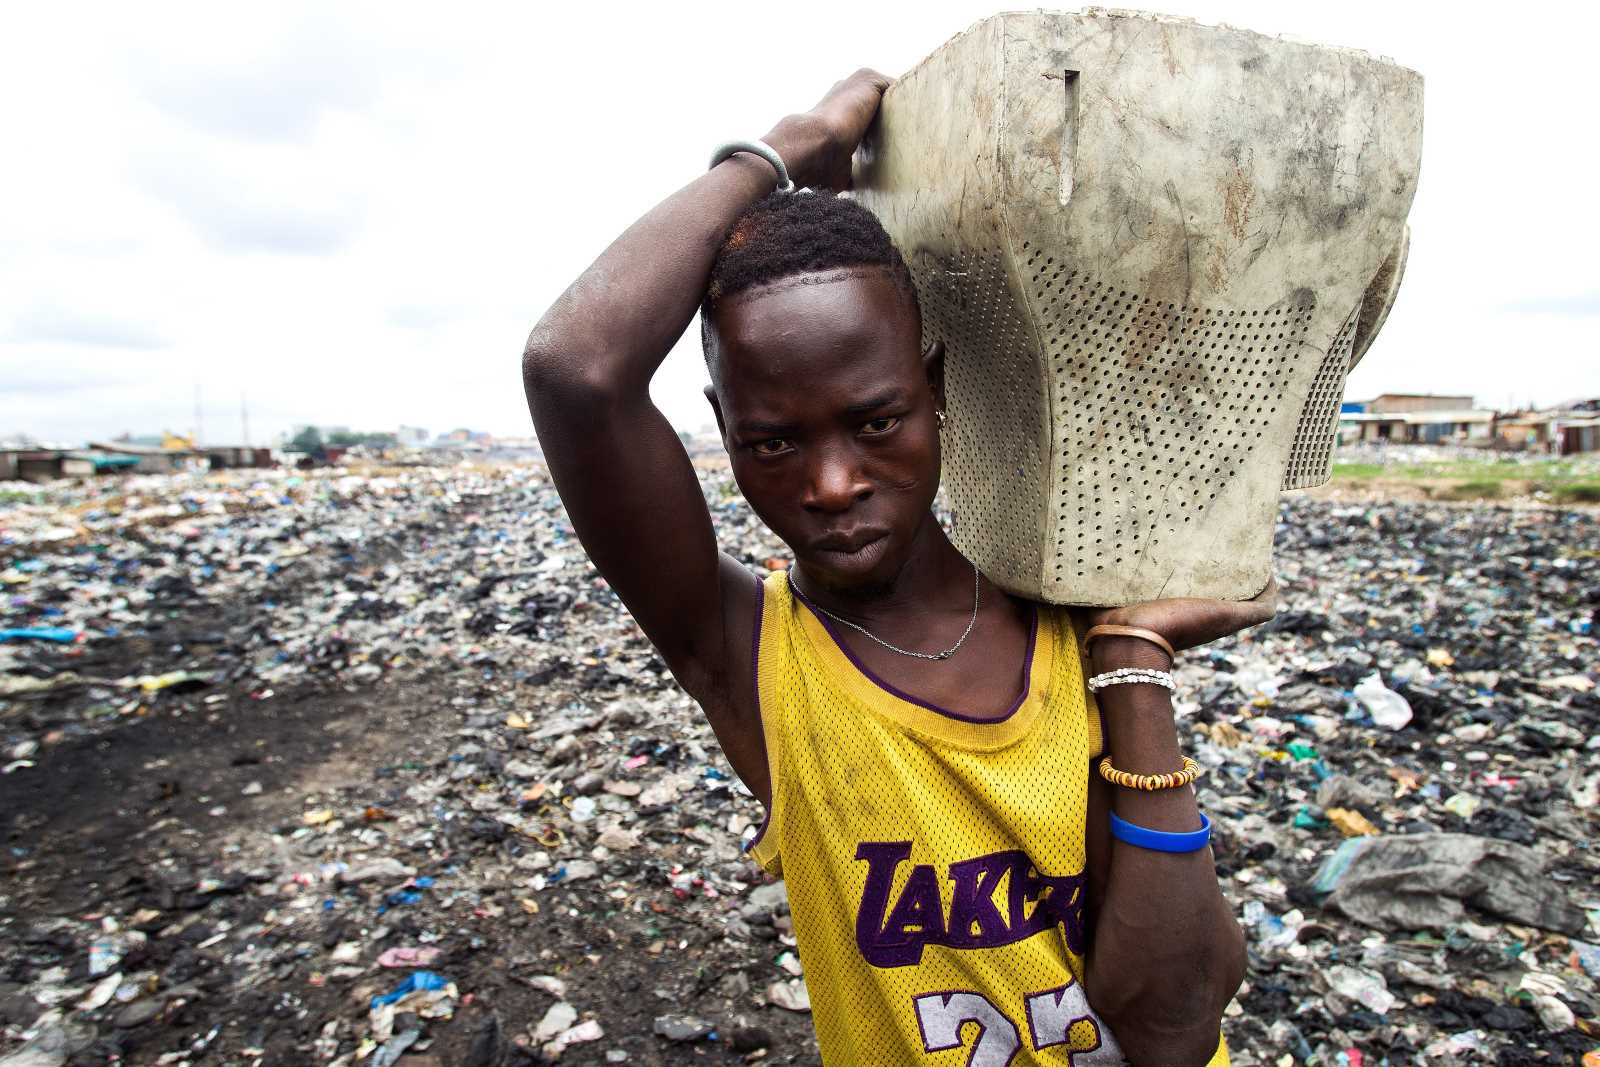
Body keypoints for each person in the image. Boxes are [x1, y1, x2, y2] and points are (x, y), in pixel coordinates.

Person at [522, 69, 1275, 1066]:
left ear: (932, 392)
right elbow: (577, 367)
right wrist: (785, 149)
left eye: (875, 421)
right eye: (773, 443)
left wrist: (1134, 666)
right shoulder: (751, 659)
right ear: (724, 434)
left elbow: (1173, 1022)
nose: (832, 484)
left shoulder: (1065, 618)